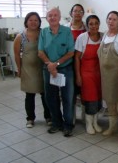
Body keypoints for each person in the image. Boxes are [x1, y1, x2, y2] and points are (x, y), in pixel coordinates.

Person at [38, 7, 75, 137]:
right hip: (48, 69)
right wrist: (50, 65)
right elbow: (40, 51)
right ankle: (56, 123)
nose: (52, 17)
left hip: (65, 69)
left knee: (67, 98)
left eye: (55, 15)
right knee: (50, 98)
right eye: (50, 15)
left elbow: (71, 51)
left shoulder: (66, 31)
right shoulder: (43, 32)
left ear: (59, 18)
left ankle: (68, 125)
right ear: (47, 18)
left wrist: (56, 64)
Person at [97, 11, 118, 140]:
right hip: (106, 77)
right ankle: (112, 127)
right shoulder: (105, 35)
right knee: (110, 102)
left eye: (114, 19)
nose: (111, 21)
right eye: (109, 19)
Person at [13, 12, 51, 128]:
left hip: (43, 68)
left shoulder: (44, 34)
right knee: (29, 95)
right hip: (28, 70)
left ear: (39, 22)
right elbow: (16, 55)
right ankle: (30, 118)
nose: (33, 22)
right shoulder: (20, 36)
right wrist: (19, 69)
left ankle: (48, 117)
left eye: (36, 20)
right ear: (26, 22)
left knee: (45, 95)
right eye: (31, 20)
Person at [74, 15, 103, 135]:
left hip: (99, 73)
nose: (94, 26)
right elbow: (76, 58)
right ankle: (89, 123)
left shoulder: (103, 36)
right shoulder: (82, 37)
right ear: (87, 26)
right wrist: (78, 76)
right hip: (86, 73)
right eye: (91, 24)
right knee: (90, 99)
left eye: (96, 23)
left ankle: (95, 122)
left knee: (98, 99)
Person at [66, 4, 86, 124]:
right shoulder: (65, 28)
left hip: (84, 64)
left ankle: (85, 117)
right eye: (75, 11)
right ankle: (71, 118)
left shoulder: (87, 28)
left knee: (84, 92)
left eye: (80, 11)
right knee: (70, 93)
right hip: (69, 64)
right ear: (71, 13)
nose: (77, 13)